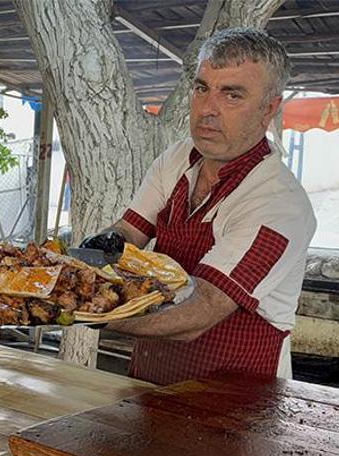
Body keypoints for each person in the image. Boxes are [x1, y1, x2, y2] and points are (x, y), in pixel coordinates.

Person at [80, 28, 316, 385]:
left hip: (237, 406)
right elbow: (129, 232)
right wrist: (89, 256)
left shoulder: (279, 204)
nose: (207, 109)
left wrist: (80, 312)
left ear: (269, 108)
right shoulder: (176, 159)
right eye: (202, 88)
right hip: (148, 384)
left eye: (232, 95)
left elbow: (200, 311)